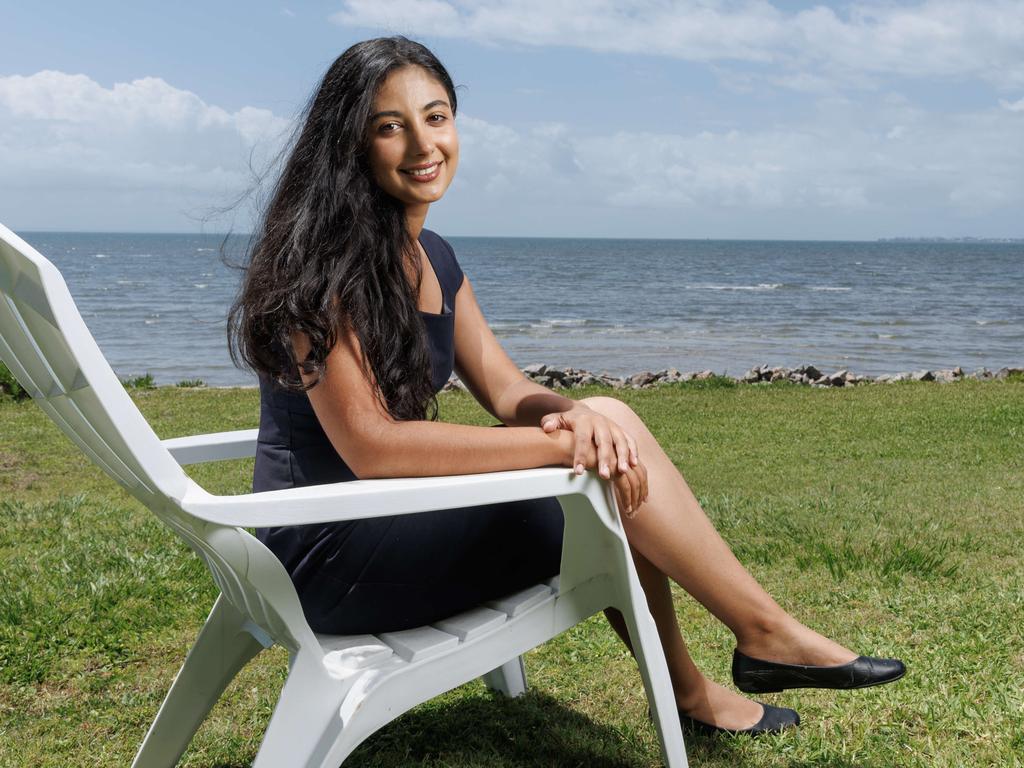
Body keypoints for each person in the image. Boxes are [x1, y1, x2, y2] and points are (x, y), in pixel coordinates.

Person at [228, 36, 905, 738]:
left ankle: (724, 666)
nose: (422, 143)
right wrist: (562, 447)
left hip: (402, 518)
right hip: (327, 560)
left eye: (436, 117)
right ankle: (744, 648)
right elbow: (373, 447)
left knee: (603, 432)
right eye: (389, 126)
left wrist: (572, 417)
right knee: (602, 471)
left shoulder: (432, 256)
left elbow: (506, 388)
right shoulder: (320, 267)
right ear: (352, 145)